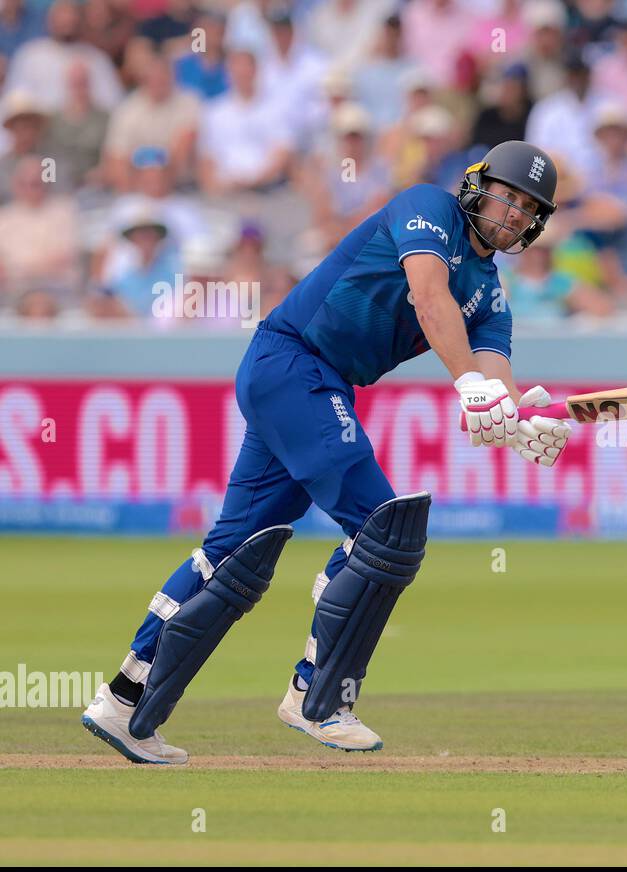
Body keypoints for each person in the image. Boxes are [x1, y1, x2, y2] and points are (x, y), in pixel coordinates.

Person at [80, 140, 573, 764]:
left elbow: (494, 371)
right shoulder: (427, 205)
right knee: (384, 531)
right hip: (294, 361)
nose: (515, 215)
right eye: (509, 197)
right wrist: (470, 387)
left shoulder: (492, 292)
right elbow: (428, 295)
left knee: (233, 552)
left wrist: (519, 419)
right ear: (478, 186)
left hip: (310, 382)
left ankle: (124, 702)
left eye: (530, 209)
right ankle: (318, 697)